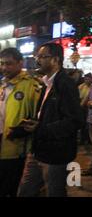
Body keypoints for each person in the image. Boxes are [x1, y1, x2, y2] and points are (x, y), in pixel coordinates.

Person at [17, 43, 84, 197]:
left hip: (55, 155)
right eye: (36, 56)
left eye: (42, 57)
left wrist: (41, 128)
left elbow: (75, 120)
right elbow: (46, 114)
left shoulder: (65, 84)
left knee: (55, 192)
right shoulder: (47, 83)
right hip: (37, 150)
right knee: (25, 191)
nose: (37, 60)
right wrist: (31, 122)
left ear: (55, 60)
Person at [0, 48, 42, 197]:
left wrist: (21, 131)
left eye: (9, 64)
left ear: (20, 63)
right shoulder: (2, 85)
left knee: (11, 189)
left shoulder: (31, 86)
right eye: (2, 64)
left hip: (16, 150)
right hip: (2, 145)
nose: (4, 68)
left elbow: (39, 117)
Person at [78, 73, 92, 145]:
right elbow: (78, 97)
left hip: (90, 108)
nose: (86, 80)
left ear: (91, 79)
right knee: (82, 124)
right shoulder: (81, 87)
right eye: (85, 79)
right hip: (82, 108)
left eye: (88, 79)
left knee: (89, 124)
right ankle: (82, 139)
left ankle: (89, 140)